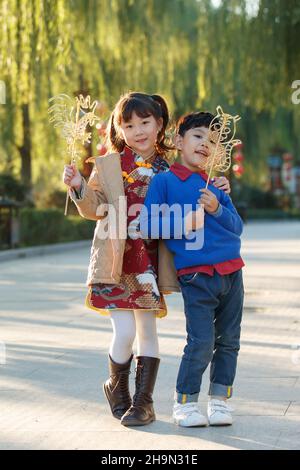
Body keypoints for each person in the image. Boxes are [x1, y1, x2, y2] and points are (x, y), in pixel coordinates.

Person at [62, 95, 231, 427]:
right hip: (116, 261)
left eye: (145, 122)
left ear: (159, 125)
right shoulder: (108, 165)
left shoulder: (171, 168)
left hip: (150, 263)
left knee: (147, 329)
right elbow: (95, 207)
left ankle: (144, 402)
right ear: (119, 128)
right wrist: (79, 185)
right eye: (128, 125)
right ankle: (116, 385)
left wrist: (220, 187)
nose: (137, 130)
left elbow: (198, 188)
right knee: (124, 331)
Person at [140, 111, 244, 427]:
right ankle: (185, 402)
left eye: (213, 141)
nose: (205, 144)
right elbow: (146, 225)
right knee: (200, 341)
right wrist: (183, 223)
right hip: (196, 274)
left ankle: (219, 401)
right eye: (199, 136)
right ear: (178, 140)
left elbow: (236, 227)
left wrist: (217, 206)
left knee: (229, 340)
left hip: (232, 272)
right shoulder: (164, 182)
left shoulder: (214, 184)